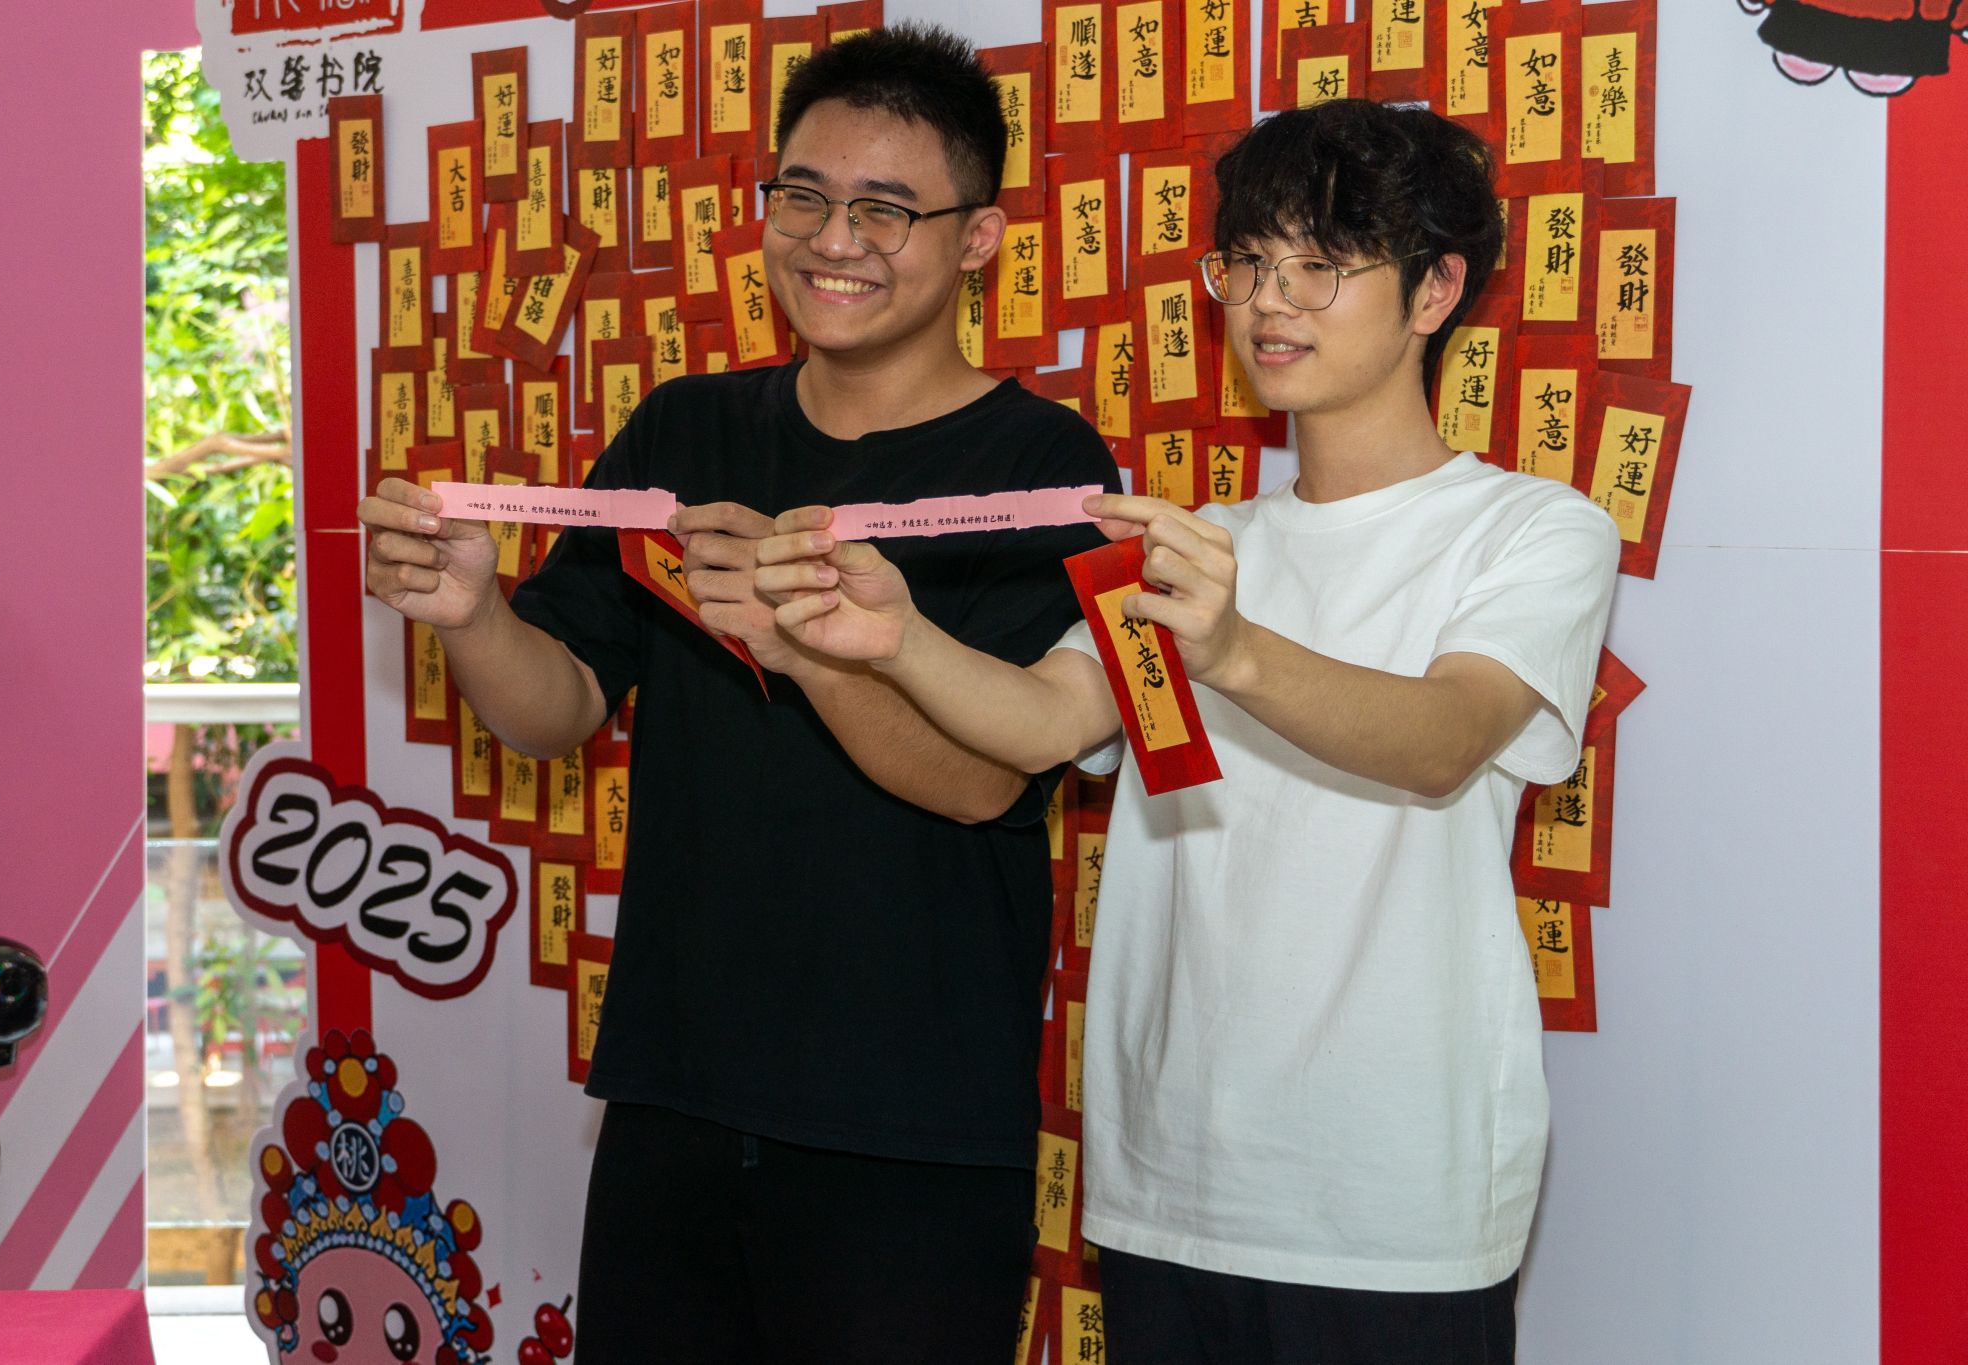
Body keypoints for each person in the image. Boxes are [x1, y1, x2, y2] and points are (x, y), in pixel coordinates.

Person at [755, 99, 1620, 1364]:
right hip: (1166, 1186)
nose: (1269, 303)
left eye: (1319, 265)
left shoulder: (1531, 531)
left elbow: (1443, 738)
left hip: (1390, 1204)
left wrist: (1232, 651)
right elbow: (1042, 720)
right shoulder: (1206, 541)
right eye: (1247, 263)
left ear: (1433, 292)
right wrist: (895, 639)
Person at [355, 24, 1118, 1365]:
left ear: (979, 240)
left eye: (887, 209)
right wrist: (472, 614)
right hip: (676, 1091)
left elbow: (982, 783)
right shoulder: (686, 427)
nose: (835, 241)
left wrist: (802, 648)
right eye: (803, 196)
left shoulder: (1042, 468)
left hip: (914, 1122)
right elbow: (558, 704)